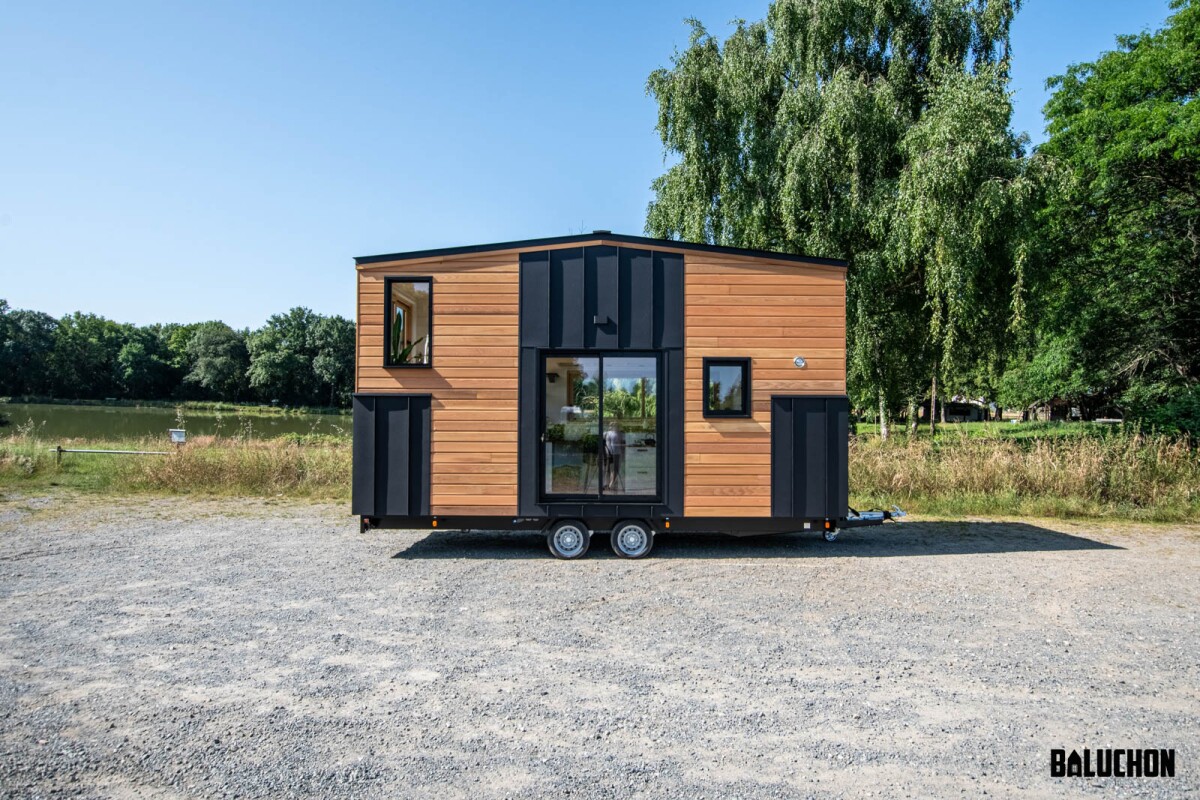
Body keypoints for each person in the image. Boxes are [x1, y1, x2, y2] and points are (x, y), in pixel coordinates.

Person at [603, 421, 625, 492]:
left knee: (614, 468)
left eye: (616, 426)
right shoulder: (607, 433)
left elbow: (622, 444)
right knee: (608, 468)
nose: (615, 427)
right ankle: (607, 483)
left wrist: (623, 454)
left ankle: (611, 483)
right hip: (608, 453)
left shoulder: (620, 434)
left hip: (616, 453)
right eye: (613, 426)